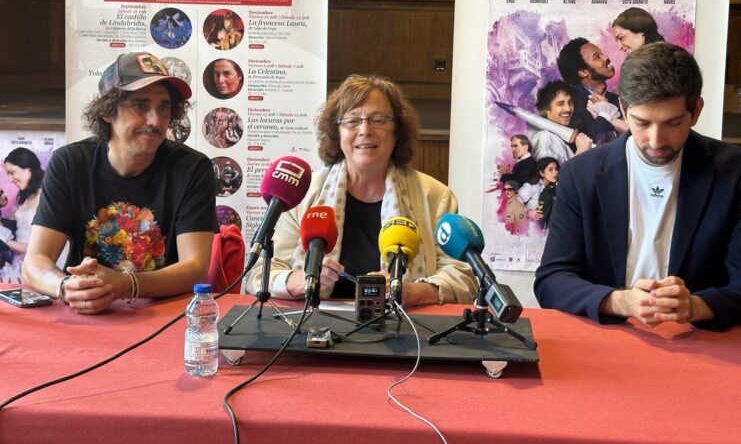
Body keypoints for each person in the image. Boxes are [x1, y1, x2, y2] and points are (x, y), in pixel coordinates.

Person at [534, 42, 741, 330]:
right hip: (608, 338)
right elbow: (552, 280)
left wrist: (696, 306)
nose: (656, 141)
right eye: (642, 123)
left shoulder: (733, 170)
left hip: (697, 341)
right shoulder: (581, 173)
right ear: (623, 109)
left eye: (673, 123)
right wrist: (620, 302)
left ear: (696, 111)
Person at [245, 74, 477, 306]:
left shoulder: (435, 196)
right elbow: (259, 275)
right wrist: (299, 281)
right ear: (337, 132)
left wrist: (412, 292)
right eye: (352, 121)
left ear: (397, 132)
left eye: (378, 120)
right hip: (312, 323)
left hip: (405, 325)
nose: (365, 130)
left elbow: (462, 277)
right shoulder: (303, 193)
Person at [22, 52, 219, 315]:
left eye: (164, 107)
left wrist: (127, 285)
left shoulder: (192, 169)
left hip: (162, 314)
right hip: (85, 314)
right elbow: (35, 262)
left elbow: (195, 268)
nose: (156, 120)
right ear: (107, 112)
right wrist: (65, 287)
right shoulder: (69, 163)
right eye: (141, 105)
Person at [557, 37, 626, 143]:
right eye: (597, 57)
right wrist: (604, 114)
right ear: (583, 72)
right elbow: (585, 145)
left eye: (602, 53)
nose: (606, 57)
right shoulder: (571, 105)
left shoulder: (618, 99)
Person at [1, 148, 44, 283]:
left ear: (28, 167)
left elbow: (41, 246)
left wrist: (6, 240)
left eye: (12, 172)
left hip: (38, 266)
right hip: (18, 263)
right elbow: (9, 222)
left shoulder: (46, 196)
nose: (10, 179)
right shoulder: (24, 198)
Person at [530, 80, 592, 165]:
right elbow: (550, 173)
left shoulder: (558, 137)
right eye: (560, 104)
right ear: (546, 108)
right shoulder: (546, 139)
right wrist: (581, 152)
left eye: (570, 102)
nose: (568, 109)